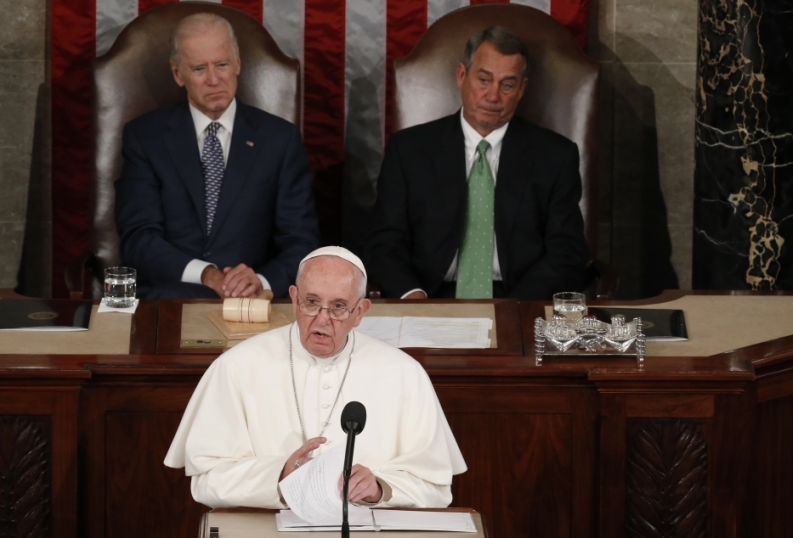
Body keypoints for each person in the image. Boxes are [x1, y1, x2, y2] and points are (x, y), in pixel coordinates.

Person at [164, 246, 467, 508]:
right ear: (294, 299)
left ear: (360, 312)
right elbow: (206, 482)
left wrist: (379, 489)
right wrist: (280, 474)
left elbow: (437, 488)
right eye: (311, 302)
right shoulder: (237, 366)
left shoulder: (404, 373)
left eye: (338, 307)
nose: (322, 319)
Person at [364, 26, 589, 301]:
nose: (493, 97)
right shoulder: (410, 150)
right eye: (484, 80)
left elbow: (566, 252)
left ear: (522, 89)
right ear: (462, 76)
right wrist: (411, 295)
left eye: (507, 85)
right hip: (430, 296)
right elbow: (384, 242)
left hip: (518, 298)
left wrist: (516, 307)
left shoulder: (555, 156)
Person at [114, 13, 318, 300]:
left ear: (237, 62)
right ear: (177, 74)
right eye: (199, 69)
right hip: (169, 299)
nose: (213, 79)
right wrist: (207, 274)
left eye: (221, 64)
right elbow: (138, 239)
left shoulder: (279, 140)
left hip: (253, 304)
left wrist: (261, 280)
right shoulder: (145, 138)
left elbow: (301, 241)